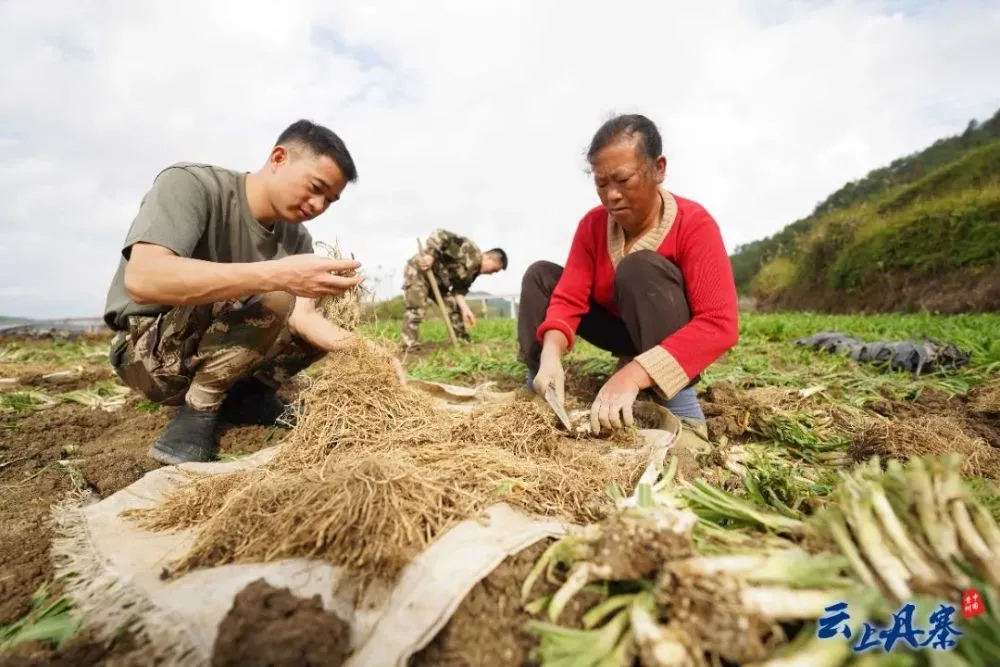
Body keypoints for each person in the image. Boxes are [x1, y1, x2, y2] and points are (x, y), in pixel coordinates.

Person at [103, 119, 403, 466]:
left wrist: (364, 349)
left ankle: (250, 397)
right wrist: (275, 274)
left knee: (326, 301)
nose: (318, 205)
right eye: (315, 187)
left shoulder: (296, 238)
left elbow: (304, 319)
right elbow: (144, 279)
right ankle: (199, 408)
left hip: (214, 347)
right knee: (279, 290)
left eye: (330, 200)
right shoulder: (191, 184)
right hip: (149, 355)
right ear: (278, 158)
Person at [518, 113, 739, 445]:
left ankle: (681, 408)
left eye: (623, 180)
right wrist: (551, 355)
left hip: (669, 334)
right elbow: (569, 297)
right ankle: (540, 386)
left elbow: (719, 323)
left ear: (658, 169)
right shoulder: (592, 226)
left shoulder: (694, 224)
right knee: (541, 276)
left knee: (640, 267)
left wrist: (632, 375)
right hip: (620, 331)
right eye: (601, 183)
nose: (611, 196)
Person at [400, 228, 507, 348]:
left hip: (439, 281)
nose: (491, 273)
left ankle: (461, 340)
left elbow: (458, 292)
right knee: (416, 307)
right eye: (493, 270)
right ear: (487, 257)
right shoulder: (469, 249)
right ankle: (409, 344)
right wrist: (430, 255)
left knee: (453, 306)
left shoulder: (473, 273)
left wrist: (466, 310)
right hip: (419, 272)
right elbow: (440, 234)